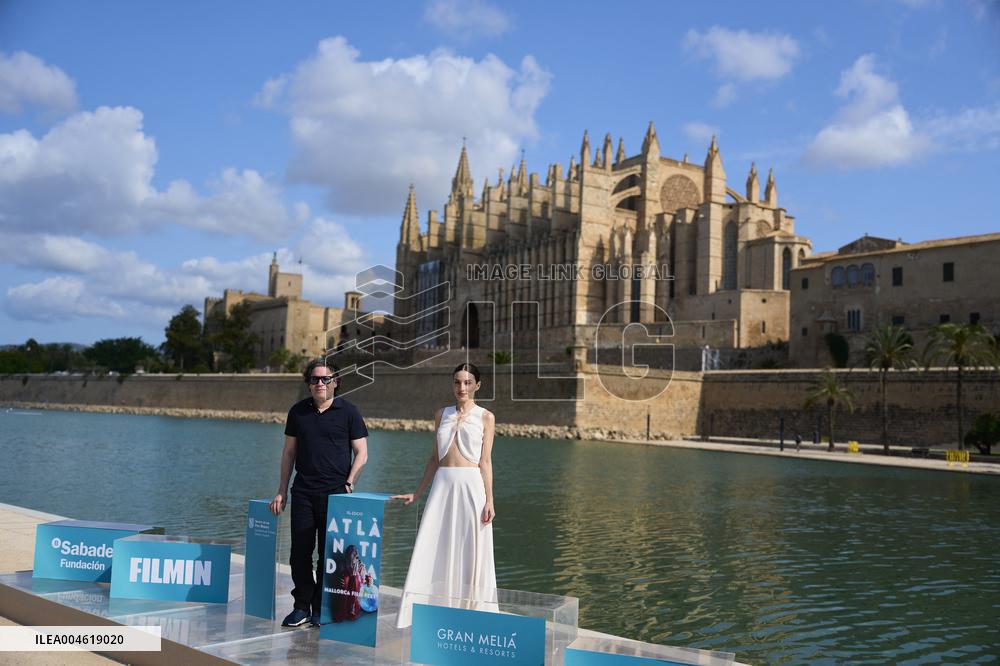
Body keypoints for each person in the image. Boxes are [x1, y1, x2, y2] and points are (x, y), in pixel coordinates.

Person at [392, 362, 498, 628]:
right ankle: (429, 609)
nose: (462, 387)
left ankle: (470, 611)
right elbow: (434, 458)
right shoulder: (441, 414)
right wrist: (417, 493)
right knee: (432, 543)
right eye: (457, 382)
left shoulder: (486, 417)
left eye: (467, 382)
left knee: (470, 547)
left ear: (477, 385)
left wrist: (490, 500)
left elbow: (485, 462)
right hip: (442, 486)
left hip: (471, 487)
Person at [269, 358, 369, 628]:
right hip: (303, 492)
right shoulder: (298, 412)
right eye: (315, 379)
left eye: (326, 379)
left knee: (329, 555)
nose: (320, 383)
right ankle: (301, 606)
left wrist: (349, 483)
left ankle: (321, 608)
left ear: (336, 382)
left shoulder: (349, 412)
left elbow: (361, 453)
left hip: (336, 494)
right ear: (309, 383)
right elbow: (288, 453)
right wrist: (281, 491)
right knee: (299, 553)